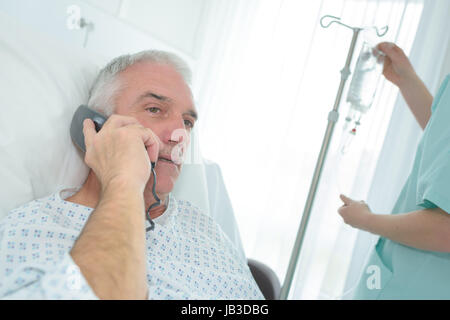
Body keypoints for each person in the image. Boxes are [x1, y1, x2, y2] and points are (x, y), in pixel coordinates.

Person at [0, 50, 264, 300]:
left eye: (187, 122)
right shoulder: (31, 230)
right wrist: (124, 181)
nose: (179, 135)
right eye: (154, 109)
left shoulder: (208, 231)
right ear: (95, 127)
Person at [338, 42, 450, 299]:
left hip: (418, 284)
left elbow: (445, 229)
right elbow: (441, 140)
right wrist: (406, 80)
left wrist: (366, 220)